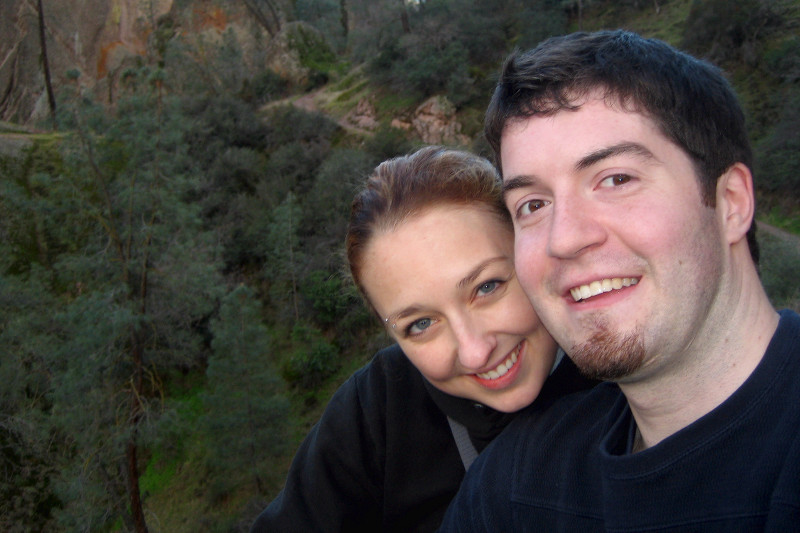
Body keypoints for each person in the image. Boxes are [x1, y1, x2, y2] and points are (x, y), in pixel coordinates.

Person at [439, 29, 800, 531]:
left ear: (731, 203)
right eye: (533, 205)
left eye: (615, 179)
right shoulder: (519, 484)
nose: (564, 239)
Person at [250, 146, 596, 532]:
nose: (475, 351)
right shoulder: (375, 416)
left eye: (487, 287)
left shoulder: (626, 365)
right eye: (420, 324)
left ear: (528, 249)